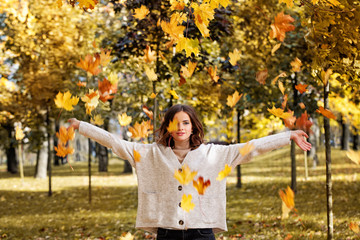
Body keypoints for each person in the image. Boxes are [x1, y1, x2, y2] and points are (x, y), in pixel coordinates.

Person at [68, 104, 311, 240]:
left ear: (193, 125)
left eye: (186, 122)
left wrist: (288, 136)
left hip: (202, 233)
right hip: (167, 234)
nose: (181, 127)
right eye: (176, 122)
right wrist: (82, 127)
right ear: (168, 126)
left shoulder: (215, 154)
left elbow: (253, 147)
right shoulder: (151, 153)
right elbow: (114, 141)